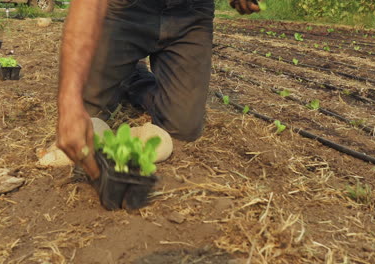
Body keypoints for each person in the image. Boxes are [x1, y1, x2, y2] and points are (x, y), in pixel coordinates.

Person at [57, 0, 260, 180]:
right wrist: (69, 104)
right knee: (88, 116)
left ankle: (133, 77)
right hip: (124, 11)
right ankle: (122, 71)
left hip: (191, 14)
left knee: (183, 128)